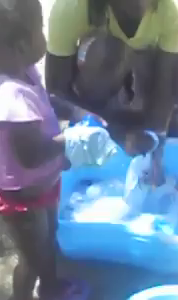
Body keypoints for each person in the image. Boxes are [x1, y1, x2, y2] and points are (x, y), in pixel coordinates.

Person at [46, 0, 178, 185]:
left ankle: (157, 118)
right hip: (98, 81)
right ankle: (111, 122)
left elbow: (164, 80)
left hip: (149, 70)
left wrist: (156, 146)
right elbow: (55, 92)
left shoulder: (174, 7)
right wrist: (113, 131)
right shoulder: (73, 7)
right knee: (107, 52)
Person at [0, 0, 87, 299]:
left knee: (47, 241)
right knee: (31, 258)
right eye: (41, 29)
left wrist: (73, 111)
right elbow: (31, 155)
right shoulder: (9, 98)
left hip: (43, 186)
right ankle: (23, 295)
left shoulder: (25, 70)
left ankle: (50, 287)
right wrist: (72, 142)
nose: (45, 36)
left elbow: (46, 100)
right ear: (22, 45)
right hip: (23, 199)